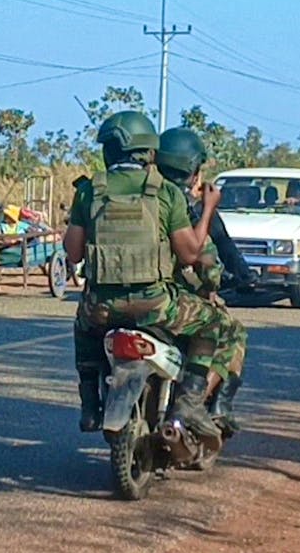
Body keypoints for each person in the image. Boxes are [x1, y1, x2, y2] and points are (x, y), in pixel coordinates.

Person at [64, 111, 226, 440]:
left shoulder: (89, 191)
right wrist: (208, 208)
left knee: (83, 326)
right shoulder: (164, 192)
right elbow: (190, 253)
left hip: (102, 307)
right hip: (155, 305)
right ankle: (190, 403)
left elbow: (73, 253)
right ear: (149, 152)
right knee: (214, 324)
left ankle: (89, 403)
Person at [157, 127, 251, 434]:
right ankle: (208, 405)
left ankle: (91, 398)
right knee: (230, 331)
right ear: (194, 172)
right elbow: (207, 260)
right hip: (171, 302)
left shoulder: (139, 199)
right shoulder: (189, 210)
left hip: (116, 302)